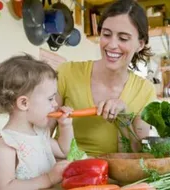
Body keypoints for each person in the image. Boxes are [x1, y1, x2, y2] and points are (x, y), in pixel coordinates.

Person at [50, 0, 156, 157]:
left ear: (140, 44)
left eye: (123, 38)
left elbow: (138, 154)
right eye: (106, 34)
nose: (112, 45)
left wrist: (123, 118)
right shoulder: (67, 73)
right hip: (67, 172)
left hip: (116, 177)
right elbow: (40, 136)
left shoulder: (145, 91)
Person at [0, 55, 74, 190]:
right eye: (50, 99)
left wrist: (66, 125)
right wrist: (48, 178)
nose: (55, 104)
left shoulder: (40, 134)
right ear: (24, 103)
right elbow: (4, 187)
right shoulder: (6, 144)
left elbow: (64, 151)